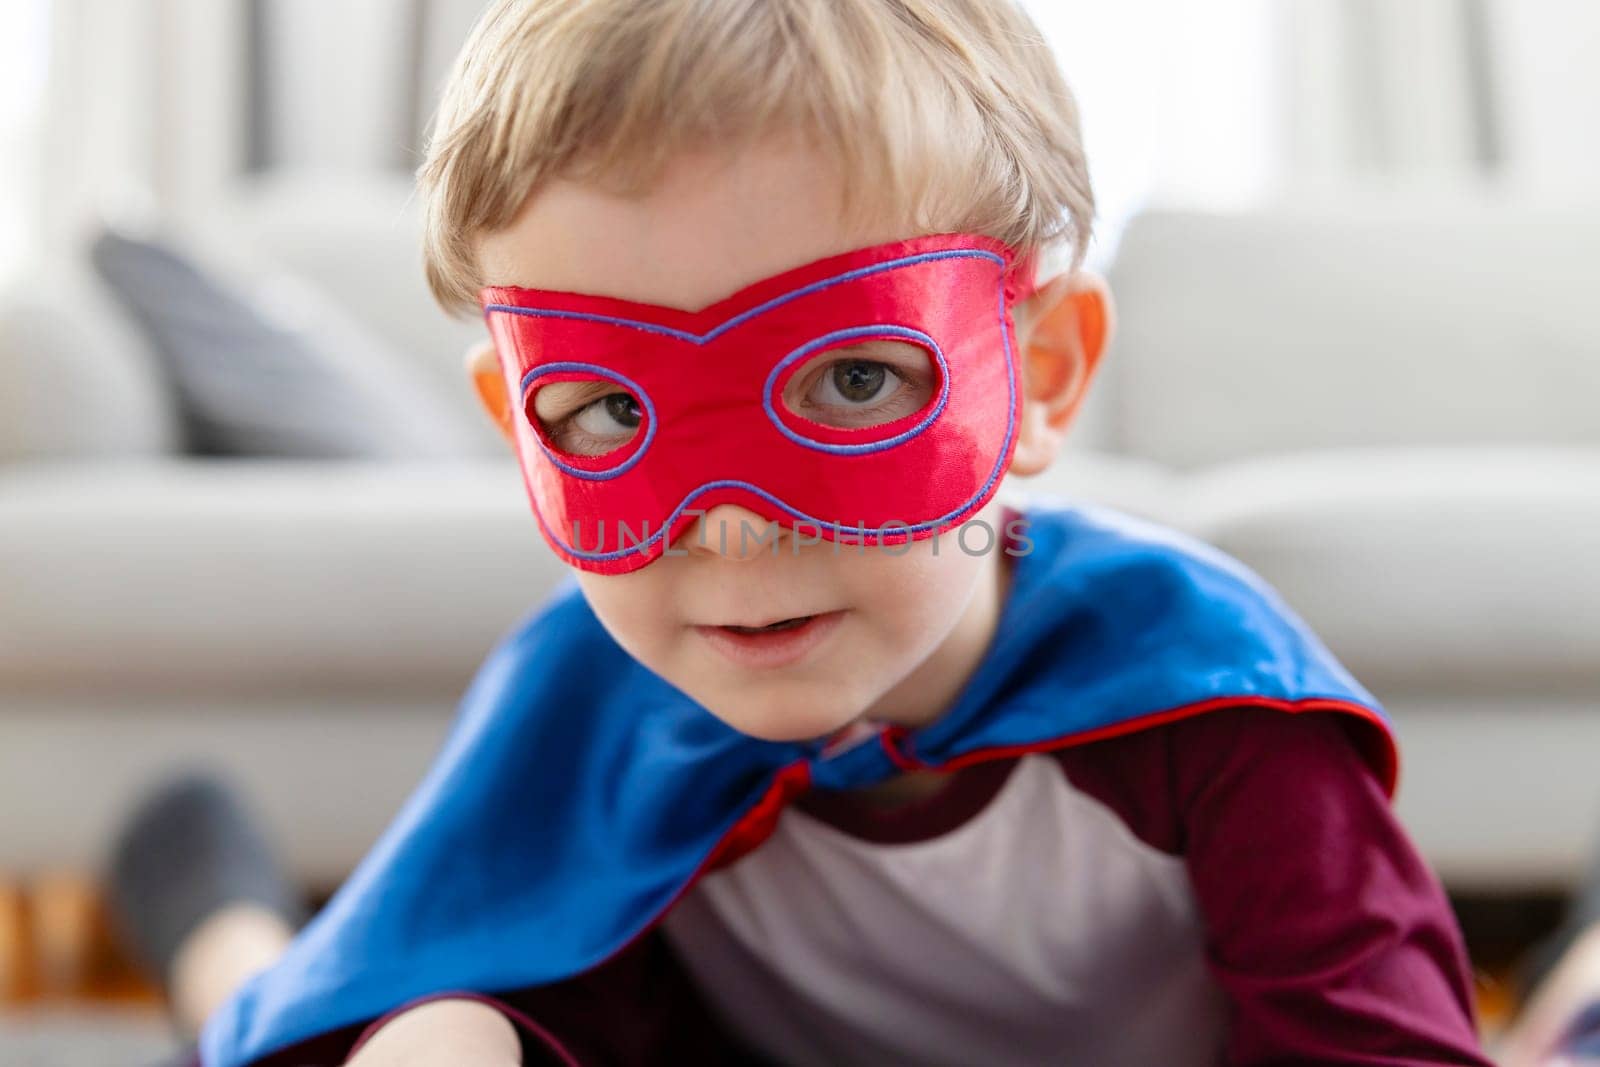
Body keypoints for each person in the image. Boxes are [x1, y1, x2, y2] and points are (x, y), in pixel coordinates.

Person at [124, 1, 1500, 1063]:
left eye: (854, 380)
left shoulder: (1211, 708)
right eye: (605, 409)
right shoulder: (586, 707)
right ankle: (215, 904)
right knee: (314, 1009)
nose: (729, 527)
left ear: (1043, 373)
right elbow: (401, 1007)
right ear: (513, 421)